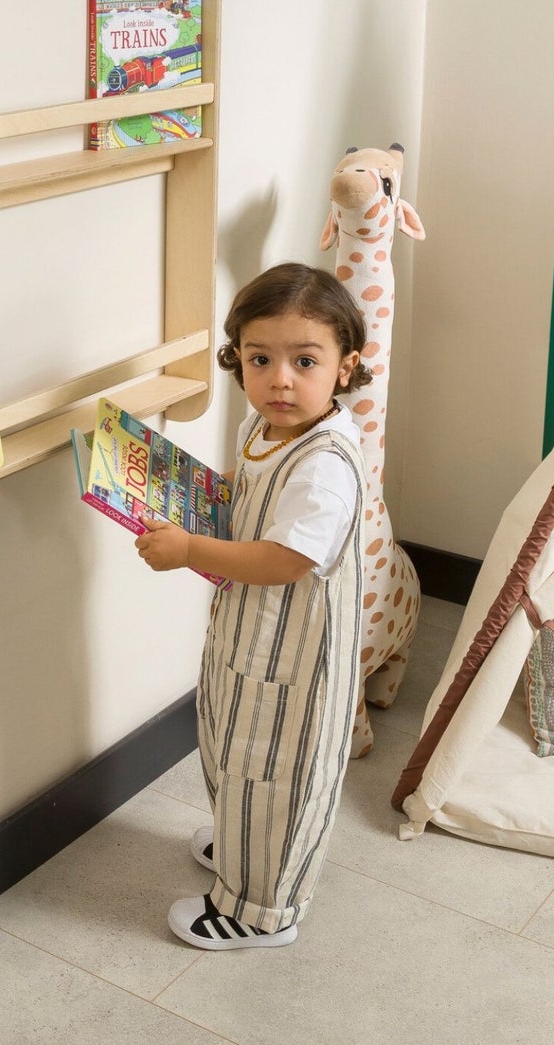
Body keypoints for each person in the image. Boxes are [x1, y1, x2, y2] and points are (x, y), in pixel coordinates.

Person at [135, 261, 370, 950]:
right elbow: (254, 480)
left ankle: (260, 909)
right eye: (259, 359)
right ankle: (243, 854)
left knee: (276, 772)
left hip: (295, 654)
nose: (280, 380)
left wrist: (188, 549)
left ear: (345, 367)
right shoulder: (265, 425)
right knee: (234, 747)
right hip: (253, 634)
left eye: (305, 361)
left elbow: (287, 558)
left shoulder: (325, 464)